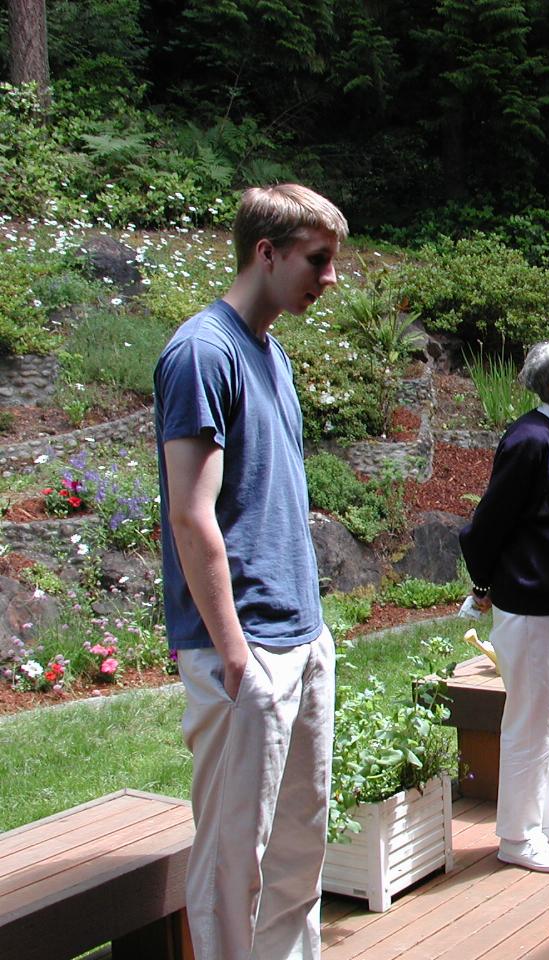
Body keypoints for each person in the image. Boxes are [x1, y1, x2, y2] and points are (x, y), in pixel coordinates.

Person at [154, 183, 348, 957]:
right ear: (265, 253)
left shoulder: (272, 354)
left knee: (299, 854)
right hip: (246, 652)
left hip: (301, 637)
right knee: (236, 863)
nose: (330, 278)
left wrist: (313, 631)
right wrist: (236, 655)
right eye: (318, 260)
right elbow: (191, 515)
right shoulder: (203, 353)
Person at [459, 337, 549, 873]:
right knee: (530, 718)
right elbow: (487, 525)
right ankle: (516, 838)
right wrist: (483, 583)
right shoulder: (530, 441)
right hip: (528, 606)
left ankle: (545, 819)